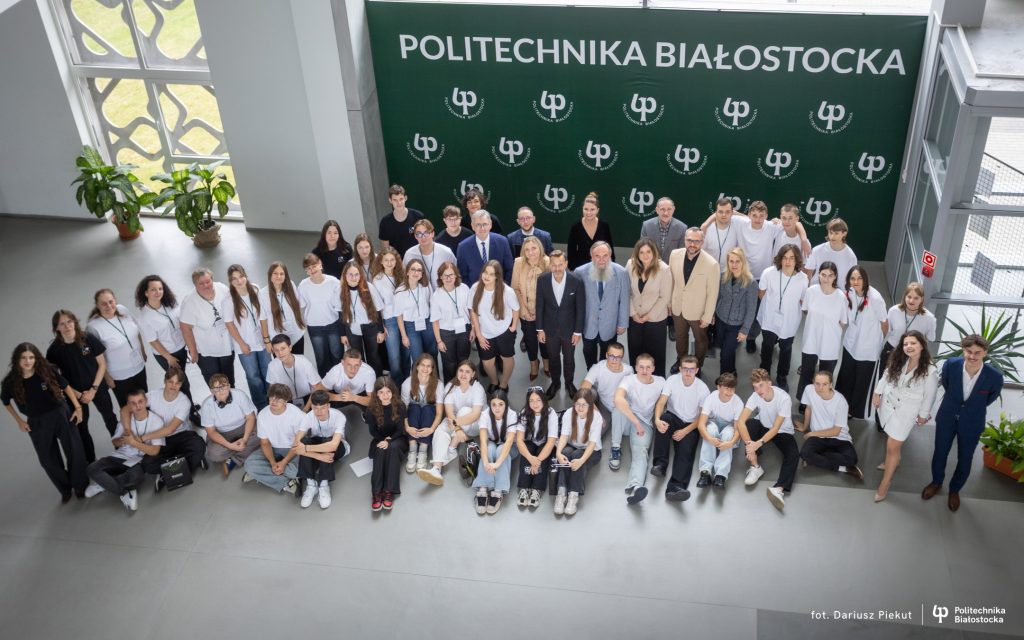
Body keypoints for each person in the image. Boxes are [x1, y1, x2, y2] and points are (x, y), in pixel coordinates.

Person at [923, 334, 1004, 512]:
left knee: (965, 458)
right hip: (947, 417)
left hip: (972, 422)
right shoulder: (951, 365)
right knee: (940, 453)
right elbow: (946, 384)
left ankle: (954, 490)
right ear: (963, 349)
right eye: (969, 351)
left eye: (978, 353)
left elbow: (989, 398)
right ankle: (936, 482)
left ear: (985, 353)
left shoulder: (995, 377)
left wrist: (969, 409)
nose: (973, 356)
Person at [2, 342, 88, 502]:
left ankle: (80, 486)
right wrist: (19, 421)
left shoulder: (47, 371)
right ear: (17, 359)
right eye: (23, 358)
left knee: (74, 450)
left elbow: (66, 386)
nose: (28, 361)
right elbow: (6, 401)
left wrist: (77, 407)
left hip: (60, 414)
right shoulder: (10, 382)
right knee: (47, 459)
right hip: (36, 422)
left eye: (31, 357)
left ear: (36, 358)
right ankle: (65, 489)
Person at [873, 330, 938, 503]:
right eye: (905, 343)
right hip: (888, 404)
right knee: (890, 438)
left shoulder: (930, 371)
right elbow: (886, 375)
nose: (908, 346)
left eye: (913, 343)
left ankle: (885, 483)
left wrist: (923, 415)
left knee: (893, 445)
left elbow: (929, 396)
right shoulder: (899, 359)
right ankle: (893, 461)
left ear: (922, 345)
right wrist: (877, 392)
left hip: (905, 413)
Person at [47, 310, 117, 460]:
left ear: (75, 322)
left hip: (97, 387)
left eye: (69, 321)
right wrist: (78, 394)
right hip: (74, 394)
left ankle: (122, 449)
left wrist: (93, 389)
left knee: (110, 417)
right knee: (81, 427)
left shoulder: (88, 338)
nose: (67, 326)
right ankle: (90, 461)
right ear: (57, 328)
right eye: (62, 324)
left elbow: (102, 364)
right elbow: (56, 378)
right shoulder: (54, 351)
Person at [84, 387, 164, 513]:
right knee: (91, 468)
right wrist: (122, 441)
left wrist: (133, 442)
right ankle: (125, 491)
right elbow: (114, 441)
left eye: (140, 402)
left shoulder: (156, 421)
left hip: (137, 461)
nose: (138, 406)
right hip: (119, 456)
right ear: (128, 405)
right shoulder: (125, 419)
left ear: (146, 401)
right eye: (133, 403)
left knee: (133, 478)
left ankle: (104, 483)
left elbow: (155, 451)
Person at [124, 367, 207, 486]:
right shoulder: (153, 395)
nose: (173, 386)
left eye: (177, 383)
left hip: (181, 435)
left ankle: (167, 472)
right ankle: (186, 465)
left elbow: (171, 429)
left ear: (181, 385)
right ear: (165, 381)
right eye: (170, 382)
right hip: (160, 439)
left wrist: (143, 438)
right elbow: (125, 410)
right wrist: (127, 430)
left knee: (199, 446)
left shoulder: (184, 401)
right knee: (147, 464)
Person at [737, 368, 800, 511]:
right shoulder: (755, 396)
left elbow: (776, 429)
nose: (758, 390)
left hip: (782, 431)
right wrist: (749, 445)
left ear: (769, 383)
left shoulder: (784, 398)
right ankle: (755, 467)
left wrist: (757, 444)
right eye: (755, 387)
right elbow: (740, 421)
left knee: (793, 455)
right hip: (763, 425)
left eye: (761, 385)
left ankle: (779, 489)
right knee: (748, 424)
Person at [876, 282, 936, 431]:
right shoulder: (894, 311)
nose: (912, 300)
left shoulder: (929, 318)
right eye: (909, 296)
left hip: (913, 356)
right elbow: (887, 331)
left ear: (922, 299)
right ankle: (880, 421)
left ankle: (897, 421)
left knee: (904, 388)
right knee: (885, 384)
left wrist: (916, 351)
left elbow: (930, 338)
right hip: (892, 351)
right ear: (905, 297)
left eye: (916, 298)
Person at [418, 360, 486, 486]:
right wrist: (457, 428)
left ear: (473, 374)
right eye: (461, 370)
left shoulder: (477, 388)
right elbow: (449, 412)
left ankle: (452, 447)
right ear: (457, 372)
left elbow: (475, 414)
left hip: (475, 424)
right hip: (455, 421)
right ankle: (436, 469)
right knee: (440, 430)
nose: (463, 374)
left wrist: (456, 425)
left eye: (467, 372)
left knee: (465, 410)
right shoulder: (450, 386)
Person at [652, 355, 710, 501]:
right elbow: (661, 403)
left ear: (696, 370)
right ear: (680, 369)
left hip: (692, 424)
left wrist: (685, 431)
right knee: (663, 421)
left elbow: (703, 418)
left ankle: (676, 487)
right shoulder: (672, 380)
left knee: (685, 452)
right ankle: (660, 465)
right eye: (685, 369)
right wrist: (657, 419)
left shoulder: (703, 389)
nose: (688, 372)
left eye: (691, 370)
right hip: (674, 417)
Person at [834, 266, 889, 419]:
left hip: (868, 349)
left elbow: (885, 324)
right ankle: (841, 406)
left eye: (859, 278)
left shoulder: (876, 298)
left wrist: (878, 342)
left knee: (861, 381)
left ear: (865, 280)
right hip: (851, 344)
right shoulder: (849, 294)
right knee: (845, 376)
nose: (856, 281)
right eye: (852, 278)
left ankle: (854, 411)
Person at [613, 353, 666, 505]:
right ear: (636, 368)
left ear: (653, 369)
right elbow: (618, 399)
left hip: (645, 423)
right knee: (617, 409)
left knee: (641, 453)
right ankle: (615, 449)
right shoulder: (629, 379)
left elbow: (666, 401)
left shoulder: (661, 382)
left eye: (648, 367)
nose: (644, 370)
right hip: (629, 418)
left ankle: (636, 487)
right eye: (641, 367)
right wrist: (636, 422)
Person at [796, 261, 849, 409]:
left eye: (830, 275)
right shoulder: (811, 291)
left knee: (826, 376)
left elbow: (843, 322)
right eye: (823, 275)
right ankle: (804, 402)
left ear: (835, 277)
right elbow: (805, 310)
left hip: (830, 342)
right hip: (811, 339)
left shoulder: (841, 297)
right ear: (818, 275)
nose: (826, 279)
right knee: (807, 372)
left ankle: (822, 402)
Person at [756, 244, 809, 392]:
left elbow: (802, 301)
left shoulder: (803, 279)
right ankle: (764, 373)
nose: (788, 261)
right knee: (767, 346)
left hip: (790, 321)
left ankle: (781, 376)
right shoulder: (769, 273)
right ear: (780, 258)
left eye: (792, 258)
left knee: (786, 349)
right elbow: (762, 293)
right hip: (770, 319)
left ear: (797, 260)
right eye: (785, 257)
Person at [668, 228, 720, 374]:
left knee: (701, 341)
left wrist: (708, 316)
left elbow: (712, 293)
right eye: (690, 240)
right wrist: (669, 303)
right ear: (685, 240)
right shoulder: (674, 255)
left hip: (699, 311)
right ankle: (681, 361)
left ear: (702, 242)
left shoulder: (711, 264)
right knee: (680, 338)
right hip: (678, 307)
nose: (692, 244)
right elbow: (671, 281)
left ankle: (697, 366)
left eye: (696, 241)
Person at [536, 250, 586, 400]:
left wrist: (578, 332)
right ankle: (555, 383)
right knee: (553, 358)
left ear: (566, 264)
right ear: (549, 265)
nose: (557, 268)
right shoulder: (542, 280)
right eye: (554, 265)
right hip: (549, 329)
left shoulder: (576, 281)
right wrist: (540, 329)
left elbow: (580, 309)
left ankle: (569, 383)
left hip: (569, 330)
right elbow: (539, 306)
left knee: (569, 359)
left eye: (560, 265)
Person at [134, 275, 192, 402]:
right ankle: (191, 413)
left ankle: (188, 406)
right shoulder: (144, 316)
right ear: (146, 292)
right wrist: (169, 358)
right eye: (153, 289)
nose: (158, 292)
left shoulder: (170, 304)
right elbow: (153, 341)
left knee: (183, 380)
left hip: (181, 348)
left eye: (160, 289)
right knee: (181, 383)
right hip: (167, 354)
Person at [87, 289, 148, 408]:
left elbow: (136, 331)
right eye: (103, 303)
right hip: (119, 376)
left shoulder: (122, 309)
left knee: (143, 400)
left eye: (111, 301)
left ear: (115, 300)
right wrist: (107, 377)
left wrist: (143, 351)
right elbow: (96, 357)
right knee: (128, 406)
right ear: (97, 305)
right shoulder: (93, 326)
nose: (108, 306)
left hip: (139, 366)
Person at [796, 370, 863, 480]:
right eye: (817, 383)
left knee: (852, 459)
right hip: (818, 438)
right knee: (804, 453)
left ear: (831, 385)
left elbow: (836, 431)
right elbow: (808, 408)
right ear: (813, 382)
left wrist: (812, 433)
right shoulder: (809, 389)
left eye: (824, 384)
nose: (820, 388)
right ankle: (843, 469)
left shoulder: (841, 401)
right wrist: (804, 427)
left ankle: (817, 457)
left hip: (839, 437)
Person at [242, 383, 305, 495]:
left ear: (286, 401)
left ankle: (260, 474)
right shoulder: (263, 414)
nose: (274, 401)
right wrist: (272, 463)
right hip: (273, 448)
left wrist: (284, 462)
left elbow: (297, 443)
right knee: (249, 464)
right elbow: (265, 443)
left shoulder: (296, 414)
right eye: (272, 397)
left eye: (279, 399)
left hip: (293, 449)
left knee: (296, 471)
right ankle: (286, 483)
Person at [576, 241, 630, 370]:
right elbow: (576, 302)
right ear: (591, 256)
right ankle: (591, 372)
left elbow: (624, 299)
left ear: (610, 255)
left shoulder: (621, 272)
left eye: (605, 255)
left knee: (608, 352)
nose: (601, 260)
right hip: (588, 323)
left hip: (610, 324)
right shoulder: (580, 272)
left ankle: (604, 374)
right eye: (597, 256)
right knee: (588, 350)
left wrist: (623, 323)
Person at [224, 264, 271, 410]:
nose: (239, 281)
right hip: (244, 345)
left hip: (262, 342)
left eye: (241, 277)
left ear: (246, 276)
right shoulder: (229, 300)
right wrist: (242, 344)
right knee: (253, 377)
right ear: (230, 282)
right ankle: (262, 406)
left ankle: (273, 400)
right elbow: (229, 324)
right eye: (234, 279)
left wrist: (266, 340)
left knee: (268, 372)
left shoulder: (255, 289)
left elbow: (263, 317)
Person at [580, 342, 633, 468]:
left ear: (622, 357)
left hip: (620, 408)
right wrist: (596, 412)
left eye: (618, 357)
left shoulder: (628, 370)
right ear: (606, 355)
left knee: (626, 432)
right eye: (611, 356)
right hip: (604, 407)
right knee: (593, 434)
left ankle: (616, 448)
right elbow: (583, 388)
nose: (614, 360)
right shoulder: (598, 368)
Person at [470, 261, 520, 392]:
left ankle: (503, 384)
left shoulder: (507, 291)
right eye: (485, 272)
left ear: (497, 276)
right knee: (487, 362)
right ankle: (494, 381)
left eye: (491, 274)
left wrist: (513, 327)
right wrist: (479, 334)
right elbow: (473, 312)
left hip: (504, 331)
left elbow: (516, 309)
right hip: (485, 333)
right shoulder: (475, 288)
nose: (487, 276)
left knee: (506, 358)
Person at [293, 389, 347, 509]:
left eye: (322, 408)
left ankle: (324, 484)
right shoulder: (308, 417)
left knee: (326, 442)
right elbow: (296, 445)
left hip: (337, 448)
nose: (319, 412)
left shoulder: (339, 417)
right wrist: (318, 455)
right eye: (315, 408)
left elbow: (333, 445)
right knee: (304, 441)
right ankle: (311, 484)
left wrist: (306, 449)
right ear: (311, 406)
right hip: (318, 448)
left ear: (328, 406)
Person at [180, 267, 234, 385]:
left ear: (212, 279)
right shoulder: (190, 301)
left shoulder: (222, 288)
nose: (206, 285)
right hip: (206, 350)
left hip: (226, 344)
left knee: (229, 378)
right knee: (214, 381)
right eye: (201, 283)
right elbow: (186, 328)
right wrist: (193, 351)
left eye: (208, 281)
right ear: (195, 284)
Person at [626, 238, 672, 378]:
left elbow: (664, 297)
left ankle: (657, 383)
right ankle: (637, 380)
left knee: (655, 354)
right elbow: (627, 291)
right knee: (635, 351)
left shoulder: (664, 269)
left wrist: (648, 316)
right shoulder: (630, 264)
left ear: (654, 252)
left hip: (656, 320)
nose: (645, 255)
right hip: (635, 318)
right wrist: (633, 313)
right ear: (637, 254)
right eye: (641, 252)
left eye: (648, 252)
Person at [554, 388, 603, 516]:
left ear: (590, 405)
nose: (580, 408)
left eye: (584, 405)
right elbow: (564, 436)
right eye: (577, 404)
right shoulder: (569, 413)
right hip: (573, 445)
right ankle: (561, 492)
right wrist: (558, 453)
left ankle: (573, 495)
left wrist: (581, 461)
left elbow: (592, 444)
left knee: (576, 456)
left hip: (592, 451)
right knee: (565, 453)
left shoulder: (596, 417)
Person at [201, 374, 259, 475]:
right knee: (213, 454)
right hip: (222, 433)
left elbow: (251, 418)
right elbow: (211, 432)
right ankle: (245, 449)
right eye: (217, 388)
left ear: (229, 386)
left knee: (264, 433)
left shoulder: (240, 395)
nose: (221, 390)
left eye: (224, 386)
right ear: (211, 391)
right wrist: (230, 446)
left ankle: (234, 459)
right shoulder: (206, 405)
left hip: (243, 427)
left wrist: (245, 439)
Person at [472, 389, 518, 515]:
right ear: (490, 404)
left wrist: (496, 464)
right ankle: (482, 489)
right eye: (494, 404)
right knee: (491, 448)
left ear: (506, 405)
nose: (497, 408)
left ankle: (498, 491)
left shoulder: (512, 415)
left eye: (501, 404)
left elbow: (508, 443)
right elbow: (483, 441)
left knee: (501, 449)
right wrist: (486, 462)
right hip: (492, 444)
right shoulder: (485, 415)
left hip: (510, 448)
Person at [364, 377, 408, 511]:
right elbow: (373, 432)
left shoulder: (400, 406)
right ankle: (376, 493)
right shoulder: (371, 410)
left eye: (388, 392)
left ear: (393, 392)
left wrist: (389, 440)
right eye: (381, 392)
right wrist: (383, 441)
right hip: (380, 438)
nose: (385, 395)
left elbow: (401, 430)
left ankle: (389, 491)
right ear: (376, 394)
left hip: (397, 439)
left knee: (393, 448)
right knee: (380, 451)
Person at [695, 372, 744, 491]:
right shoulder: (711, 398)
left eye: (732, 389)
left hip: (729, 426)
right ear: (719, 387)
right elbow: (701, 424)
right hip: (714, 423)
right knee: (710, 430)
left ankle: (720, 475)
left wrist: (731, 443)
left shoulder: (738, 402)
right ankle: (705, 472)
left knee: (728, 434)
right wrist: (709, 438)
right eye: (726, 388)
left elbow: (738, 428)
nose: (729, 392)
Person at [713, 247, 758, 376]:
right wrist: (712, 315)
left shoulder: (751, 283)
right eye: (731, 261)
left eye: (737, 261)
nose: (734, 264)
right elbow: (717, 297)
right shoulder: (723, 276)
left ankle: (724, 379)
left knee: (725, 353)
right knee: (726, 349)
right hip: (721, 320)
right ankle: (732, 371)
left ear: (743, 262)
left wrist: (745, 330)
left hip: (736, 325)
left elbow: (751, 309)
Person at [511, 236, 550, 382]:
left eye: (534, 248)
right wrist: (526, 312)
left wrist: (540, 313)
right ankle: (534, 364)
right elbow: (515, 288)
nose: (531, 252)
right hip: (525, 312)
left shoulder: (548, 262)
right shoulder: (518, 263)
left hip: (545, 313)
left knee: (545, 341)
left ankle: (547, 364)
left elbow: (552, 291)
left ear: (540, 248)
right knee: (530, 341)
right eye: (527, 249)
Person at [298, 253, 343, 377]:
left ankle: (338, 382)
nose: (311, 270)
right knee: (321, 357)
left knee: (337, 355)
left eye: (314, 266)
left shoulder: (333, 282)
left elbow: (340, 305)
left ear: (320, 265)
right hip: (314, 327)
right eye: (308, 268)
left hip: (333, 324)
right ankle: (325, 386)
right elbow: (301, 304)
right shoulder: (303, 285)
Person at [513, 387, 558, 509]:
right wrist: (530, 458)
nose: (535, 404)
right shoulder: (524, 413)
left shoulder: (551, 413)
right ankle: (523, 487)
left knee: (542, 462)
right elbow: (519, 440)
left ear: (543, 400)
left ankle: (537, 489)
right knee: (526, 456)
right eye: (531, 401)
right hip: (531, 442)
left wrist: (537, 461)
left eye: (538, 400)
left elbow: (551, 442)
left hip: (545, 444)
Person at [340, 260, 386, 377]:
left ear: (360, 275)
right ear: (345, 275)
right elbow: (340, 314)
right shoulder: (340, 290)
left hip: (370, 327)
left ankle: (378, 381)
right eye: (350, 274)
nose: (353, 277)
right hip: (352, 328)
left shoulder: (369, 288)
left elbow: (378, 311)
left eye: (356, 274)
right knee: (357, 357)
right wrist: (343, 334)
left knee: (373, 356)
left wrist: (380, 331)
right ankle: (364, 381)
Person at [430, 261, 472, 383]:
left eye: (451, 275)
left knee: (463, 360)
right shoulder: (436, 295)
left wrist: (473, 328)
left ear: (456, 275)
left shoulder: (464, 288)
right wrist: (439, 341)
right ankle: (450, 386)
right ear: (440, 277)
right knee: (449, 363)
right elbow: (435, 321)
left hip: (464, 329)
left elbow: (471, 310)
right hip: (446, 333)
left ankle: (465, 384)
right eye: (445, 275)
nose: (448, 278)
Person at [369, 247, 406, 383]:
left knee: (406, 352)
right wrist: (381, 326)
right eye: (386, 260)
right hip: (389, 321)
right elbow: (376, 307)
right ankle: (397, 383)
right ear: (381, 262)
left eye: (392, 260)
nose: (390, 263)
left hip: (405, 318)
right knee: (394, 355)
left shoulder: (402, 275)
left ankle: (408, 380)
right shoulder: (377, 280)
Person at [401, 353, 443, 473]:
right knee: (414, 407)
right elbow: (403, 409)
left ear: (432, 369)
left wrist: (431, 429)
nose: (425, 369)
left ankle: (423, 449)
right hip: (413, 416)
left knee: (428, 409)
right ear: (417, 367)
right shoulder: (407, 383)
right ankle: (413, 448)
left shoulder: (438, 384)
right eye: (423, 365)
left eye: (429, 366)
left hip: (428, 417)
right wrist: (407, 427)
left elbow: (439, 412)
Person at [394, 257, 436, 374]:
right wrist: (404, 336)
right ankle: (418, 385)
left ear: (422, 274)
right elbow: (399, 316)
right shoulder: (400, 292)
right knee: (418, 357)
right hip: (411, 326)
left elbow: (432, 305)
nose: (416, 273)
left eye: (419, 270)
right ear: (407, 272)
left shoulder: (426, 286)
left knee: (432, 354)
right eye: (413, 269)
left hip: (427, 323)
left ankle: (434, 381)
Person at [259, 261, 306, 355]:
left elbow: (298, 306)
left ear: (285, 276)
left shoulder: (291, 285)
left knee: (298, 363)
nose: (278, 276)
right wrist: (267, 341)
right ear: (270, 275)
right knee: (282, 366)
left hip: (296, 334)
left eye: (282, 274)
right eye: (275, 273)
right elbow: (263, 319)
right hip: (277, 339)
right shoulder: (262, 294)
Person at [266, 335, 325, 409]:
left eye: (283, 348)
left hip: (309, 399)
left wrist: (306, 409)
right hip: (286, 402)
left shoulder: (304, 361)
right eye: (276, 350)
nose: (280, 353)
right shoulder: (272, 366)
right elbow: (273, 391)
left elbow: (317, 387)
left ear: (290, 347)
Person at [456, 209, 513, 286]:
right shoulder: (463, 247)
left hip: (499, 291)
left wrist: (503, 288)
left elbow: (509, 269)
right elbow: (463, 275)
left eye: (485, 224)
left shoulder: (502, 242)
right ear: (472, 226)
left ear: (490, 225)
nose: (482, 228)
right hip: (475, 293)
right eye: (478, 225)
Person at [404, 219, 456, 294]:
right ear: (415, 236)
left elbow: (456, 274)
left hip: (444, 295)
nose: (423, 237)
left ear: (432, 234)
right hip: (419, 297)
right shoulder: (409, 254)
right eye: (419, 234)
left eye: (426, 233)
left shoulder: (446, 252)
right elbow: (405, 278)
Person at [566, 192, 614, 270]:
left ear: (597, 210)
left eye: (592, 209)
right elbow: (571, 252)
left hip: (601, 267)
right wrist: (574, 271)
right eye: (586, 209)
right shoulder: (575, 227)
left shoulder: (604, 225)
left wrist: (611, 267)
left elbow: (610, 248)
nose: (588, 212)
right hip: (581, 268)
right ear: (582, 209)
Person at [805, 217, 858, 287]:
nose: (832, 236)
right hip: (816, 292)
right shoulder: (817, 250)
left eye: (836, 233)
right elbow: (808, 274)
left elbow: (852, 280)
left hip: (839, 294)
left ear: (844, 233)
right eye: (831, 232)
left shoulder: (851, 257)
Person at [378, 184, 425, 256]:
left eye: (401, 199)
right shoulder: (385, 222)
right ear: (390, 200)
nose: (399, 203)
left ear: (405, 198)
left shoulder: (418, 216)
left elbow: (424, 239)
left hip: (417, 259)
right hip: (396, 263)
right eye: (395, 200)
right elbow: (386, 250)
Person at [639, 197, 687, 261]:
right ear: (657, 210)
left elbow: (681, 253)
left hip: (671, 268)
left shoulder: (682, 228)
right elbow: (643, 249)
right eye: (662, 209)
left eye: (669, 209)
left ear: (673, 209)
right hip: (651, 266)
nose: (666, 213)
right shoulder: (647, 226)